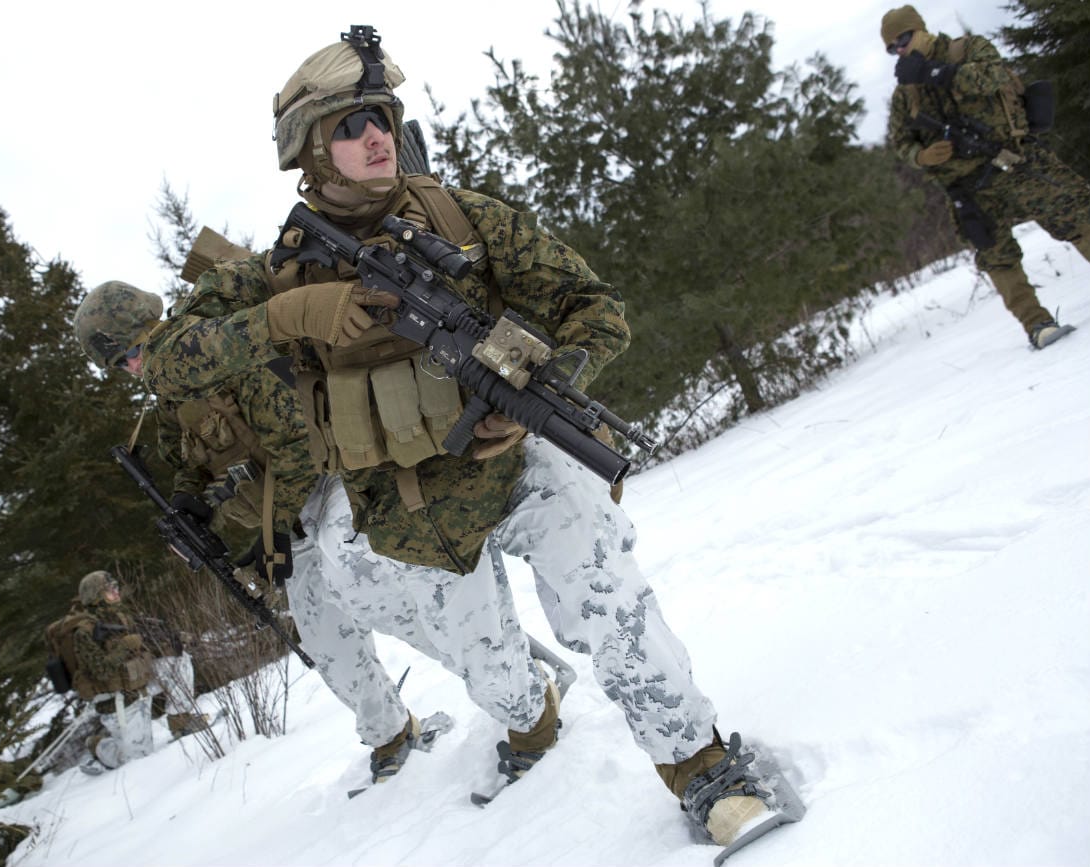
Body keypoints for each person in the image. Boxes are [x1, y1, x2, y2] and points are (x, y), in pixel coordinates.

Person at [153, 25, 786, 846]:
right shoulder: (277, 271)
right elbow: (167, 362)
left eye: (383, 117)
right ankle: (533, 718)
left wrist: (533, 387)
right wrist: (289, 315)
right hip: (409, 511)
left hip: (517, 461)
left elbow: (595, 309)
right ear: (311, 150)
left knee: (608, 596)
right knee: (498, 673)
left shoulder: (463, 218)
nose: (377, 135)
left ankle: (702, 767)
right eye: (351, 125)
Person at [73, 279, 564, 788]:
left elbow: (299, 445)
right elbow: (189, 463)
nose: (133, 367)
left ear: (152, 328)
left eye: (133, 352)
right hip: (287, 525)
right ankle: (391, 734)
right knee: (326, 642)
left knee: (379, 593)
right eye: (121, 364)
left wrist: (269, 527)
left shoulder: (220, 353)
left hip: (334, 486)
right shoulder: (169, 398)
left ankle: (515, 682)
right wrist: (188, 500)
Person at [883, 4, 1090, 349]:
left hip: (1014, 160)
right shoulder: (905, 93)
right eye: (892, 48)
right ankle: (1037, 324)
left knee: (1077, 216)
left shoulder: (965, 50)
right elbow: (900, 141)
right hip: (966, 185)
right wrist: (921, 156)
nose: (900, 50)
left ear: (921, 30)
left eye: (903, 40)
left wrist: (934, 73)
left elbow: (992, 76)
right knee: (996, 256)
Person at [68, 570, 209, 775]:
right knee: (137, 760)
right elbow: (101, 672)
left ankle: (181, 722)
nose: (116, 592)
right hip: (119, 700)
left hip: (141, 683)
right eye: (109, 590)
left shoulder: (121, 617)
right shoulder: (85, 632)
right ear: (96, 597)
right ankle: (98, 745)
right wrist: (123, 648)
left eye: (116, 587)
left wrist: (176, 638)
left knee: (179, 660)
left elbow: (148, 640)